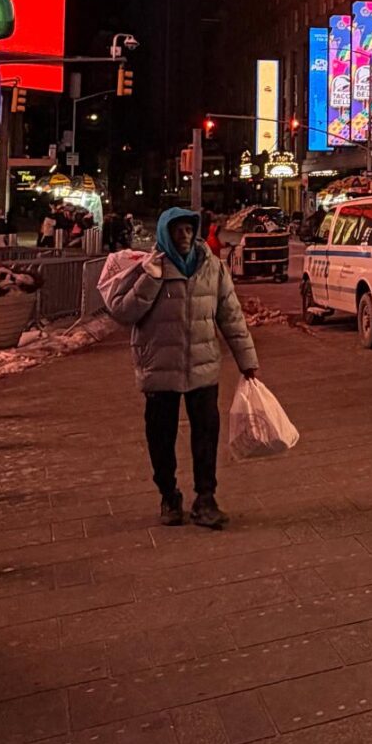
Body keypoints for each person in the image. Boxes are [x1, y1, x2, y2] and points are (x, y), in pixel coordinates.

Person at [99, 205, 260, 529]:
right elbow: (124, 312)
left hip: (203, 367)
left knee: (206, 436)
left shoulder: (212, 267)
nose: (184, 236)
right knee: (161, 437)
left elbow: (231, 316)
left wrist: (248, 361)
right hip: (160, 368)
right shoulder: (148, 268)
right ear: (165, 234)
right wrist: (150, 279)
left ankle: (206, 499)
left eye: (189, 230)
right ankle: (169, 496)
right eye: (177, 231)